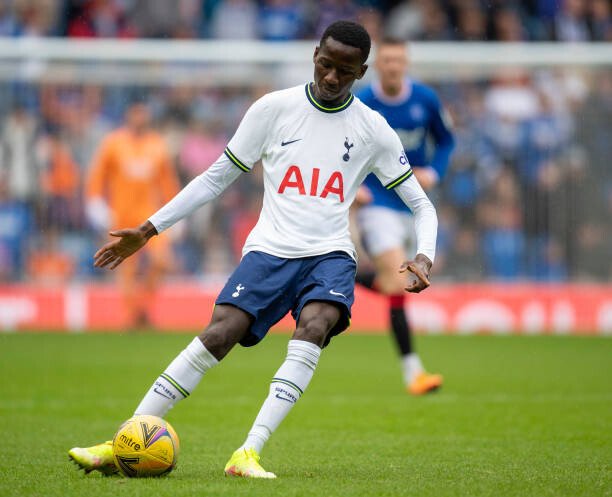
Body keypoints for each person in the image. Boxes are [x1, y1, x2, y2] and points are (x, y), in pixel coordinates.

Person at [68, 21, 438, 479]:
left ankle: (249, 452)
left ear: (361, 71)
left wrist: (424, 255)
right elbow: (214, 179)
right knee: (220, 332)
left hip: (330, 255)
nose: (330, 78)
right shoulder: (273, 109)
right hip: (269, 251)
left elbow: (422, 205)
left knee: (316, 324)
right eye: (325, 65)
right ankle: (120, 440)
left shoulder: (373, 130)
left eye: (344, 71)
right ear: (314, 55)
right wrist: (148, 229)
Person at [354, 38, 454, 395]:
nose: (394, 66)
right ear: (378, 65)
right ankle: (414, 372)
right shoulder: (364, 102)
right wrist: (354, 186)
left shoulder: (425, 100)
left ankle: (341, 271)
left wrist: (435, 172)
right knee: (398, 280)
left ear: (406, 64)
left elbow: (446, 141)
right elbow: (343, 144)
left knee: (393, 284)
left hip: (413, 204)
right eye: (388, 60)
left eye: (399, 60)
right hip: (377, 203)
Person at [86, 100, 180, 327]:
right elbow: (97, 176)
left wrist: (177, 213)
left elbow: (168, 182)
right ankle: (133, 317)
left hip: (150, 218)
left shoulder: (157, 145)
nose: (140, 118)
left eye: (143, 114)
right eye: (136, 113)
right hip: (121, 216)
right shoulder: (113, 143)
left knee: (162, 261)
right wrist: (95, 202)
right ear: (129, 115)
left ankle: (142, 307)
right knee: (125, 268)